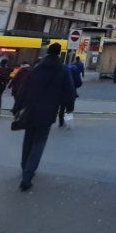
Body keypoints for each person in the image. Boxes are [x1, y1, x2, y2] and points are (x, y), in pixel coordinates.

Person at [12, 43, 75, 191]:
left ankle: (24, 166)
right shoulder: (63, 69)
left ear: (47, 52)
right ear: (59, 53)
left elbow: (24, 87)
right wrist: (69, 108)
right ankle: (28, 175)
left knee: (28, 139)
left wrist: (17, 106)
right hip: (48, 110)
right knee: (39, 143)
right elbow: (69, 91)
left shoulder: (37, 67)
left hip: (31, 107)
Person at [59, 58, 84, 128]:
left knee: (62, 107)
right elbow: (79, 83)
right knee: (69, 109)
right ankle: (68, 124)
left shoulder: (63, 70)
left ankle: (61, 123)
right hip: (72, 92)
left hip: (62, 92)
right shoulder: (75, 71)